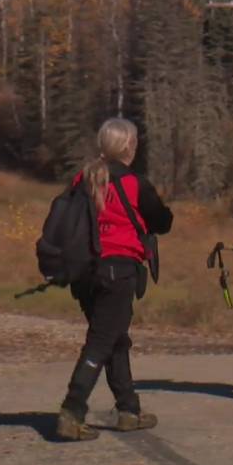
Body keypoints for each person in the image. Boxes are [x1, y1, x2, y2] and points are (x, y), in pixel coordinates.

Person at [56, 118, 174, 441]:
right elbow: (162, 221)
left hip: (85, 273)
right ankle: (72, 409)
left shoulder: (82, 179)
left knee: (114, 338)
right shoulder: (135, 183)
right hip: (118, 271)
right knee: (102, 341)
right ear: (128, 147)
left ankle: (128, 410)